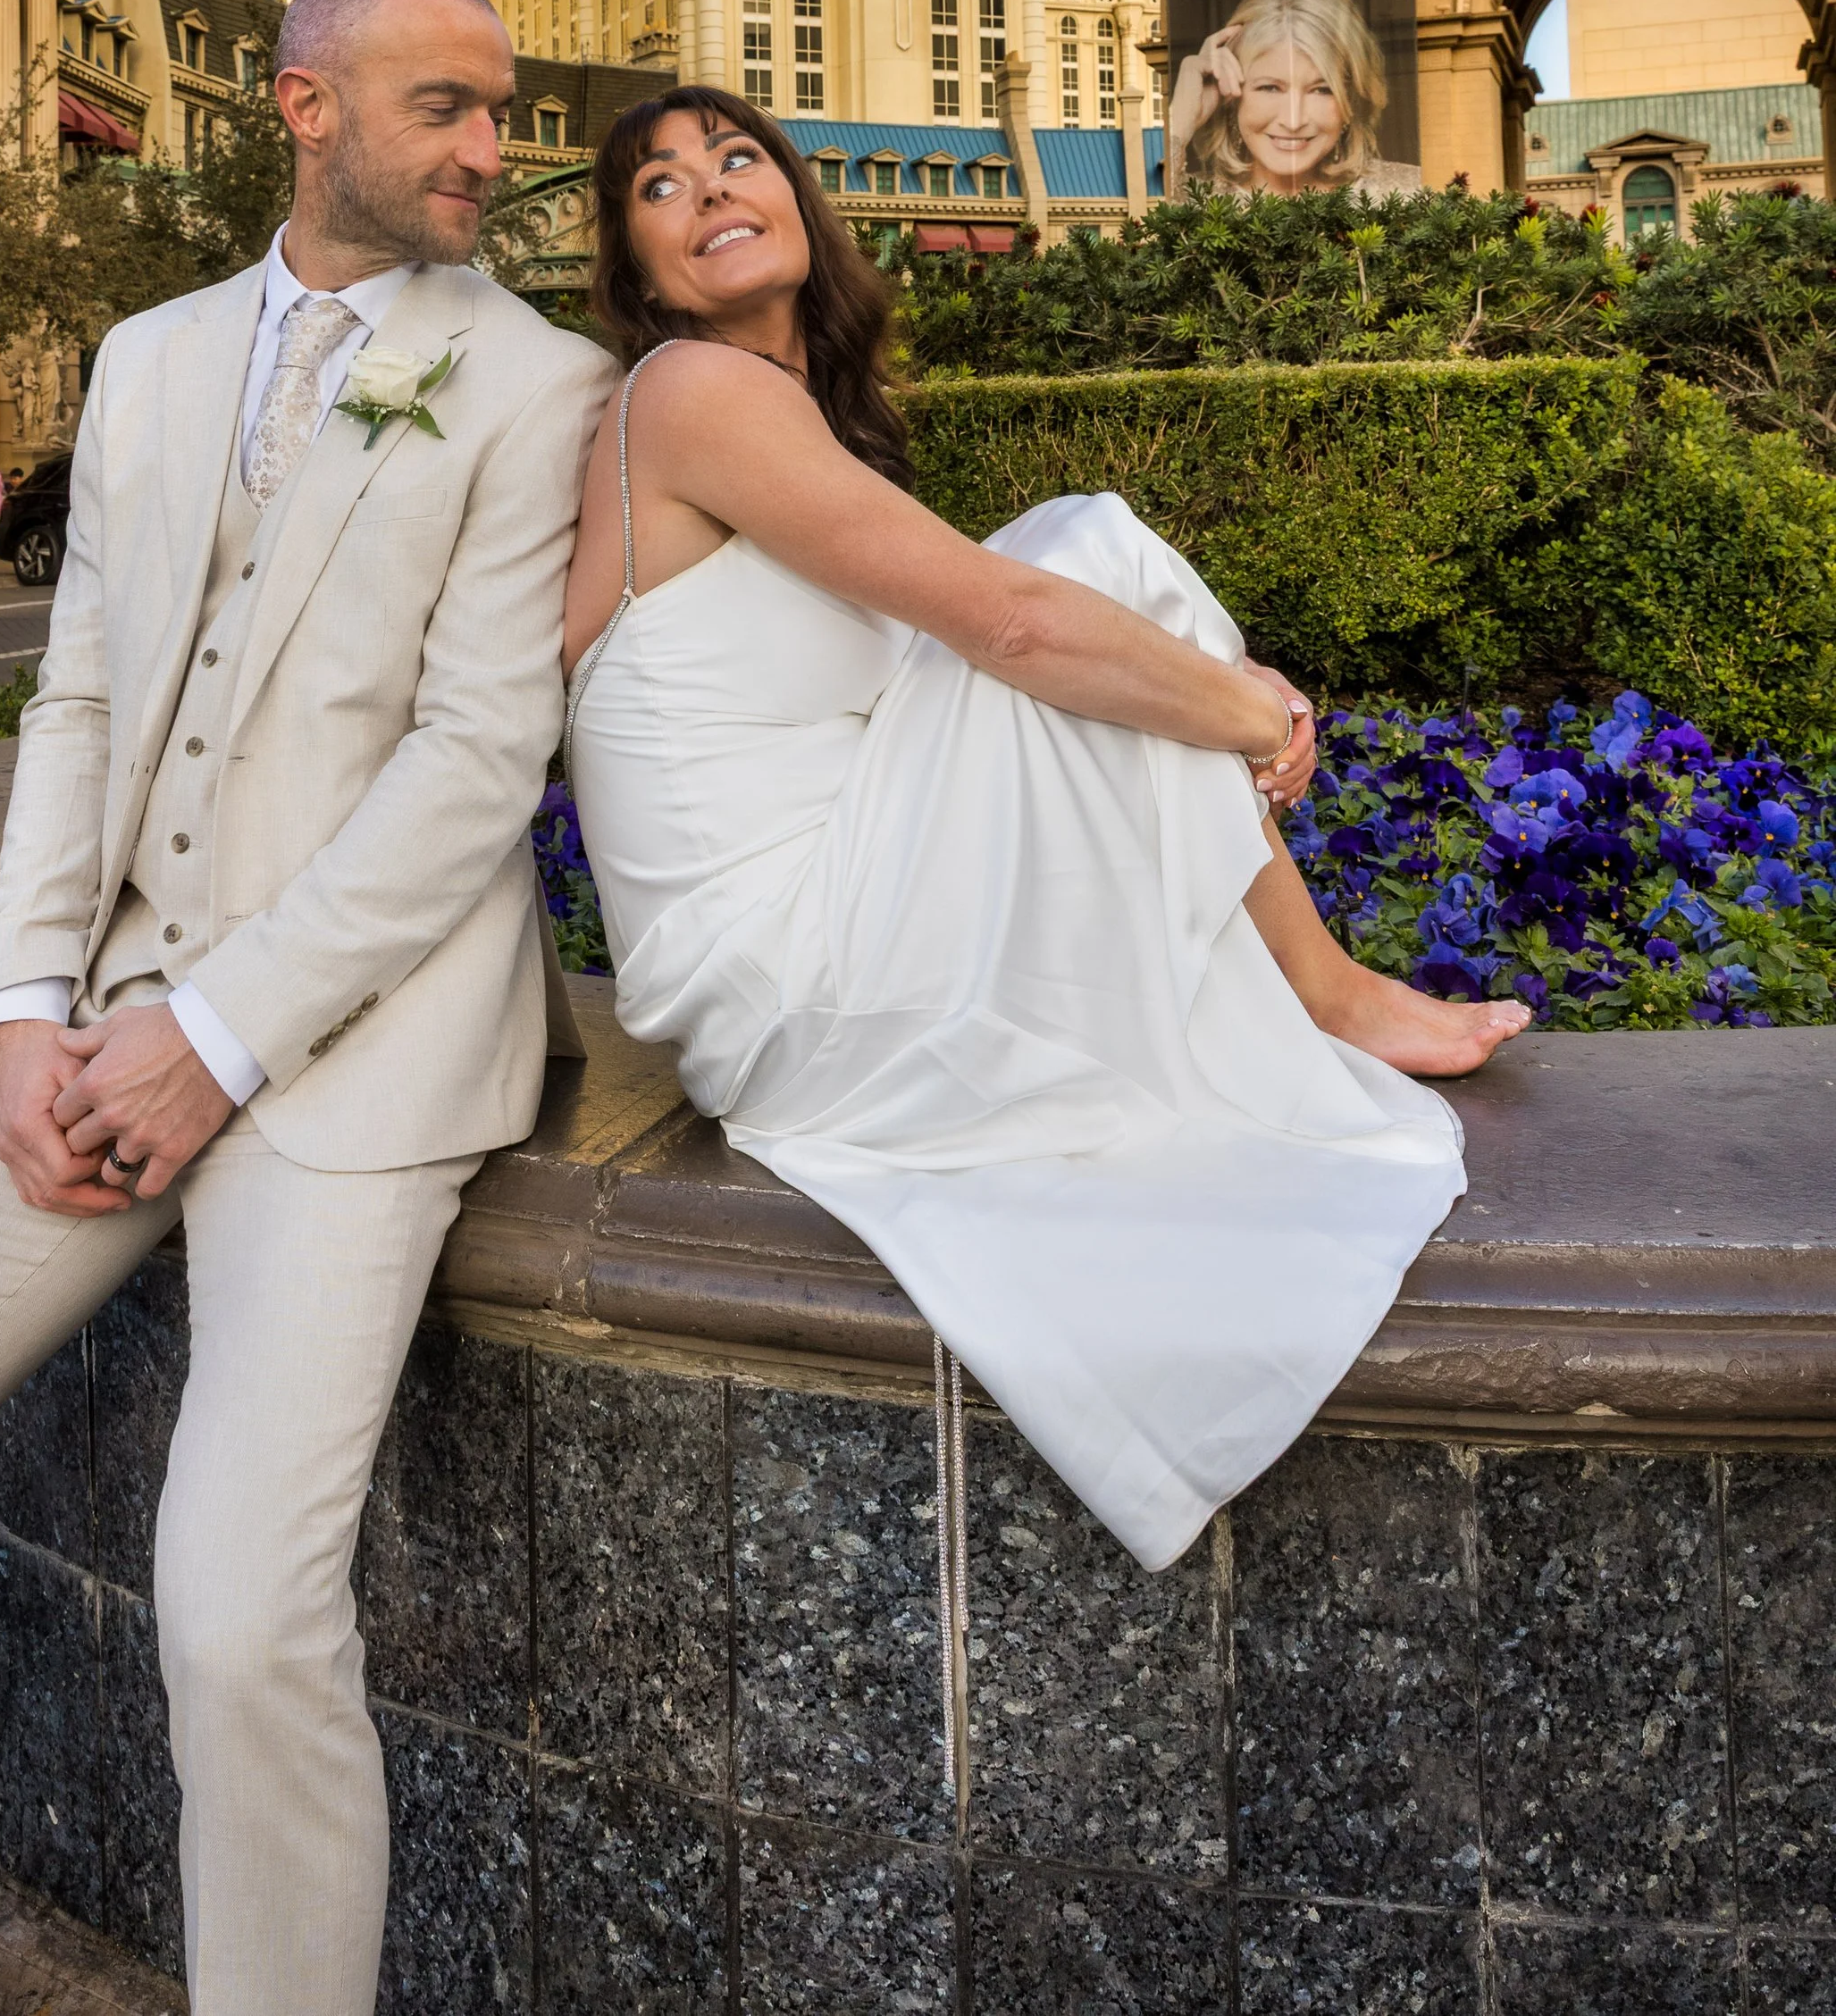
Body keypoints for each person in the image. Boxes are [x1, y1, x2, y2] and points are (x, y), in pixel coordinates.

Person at [0, 0, 614, 2014]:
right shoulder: (155, 358)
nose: (490, 150)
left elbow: (469, 765)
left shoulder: (535, 382)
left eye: (502, 110)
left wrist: (220, 1033)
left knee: (241, 1622)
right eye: (445, 104)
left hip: (351, 1069)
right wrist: (12, 1013)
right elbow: (77, 701)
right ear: (303, 107)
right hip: (83, 1035)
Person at [562, 88, 1528, 1575]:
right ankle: (1325, 987)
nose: (706, 188)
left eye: (736, 157)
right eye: (659, 187)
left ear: (801, 208)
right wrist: (1250, 715)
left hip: (798, 968)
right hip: (787, 977)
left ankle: (1318, 982)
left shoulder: (793, 427)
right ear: (640, 277)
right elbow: (1011, 624)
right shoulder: (690, 395)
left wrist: (1202, 700)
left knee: (1090, 577)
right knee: (1082, 554)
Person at [1166, 0, 1416, 197]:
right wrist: (1178, 124)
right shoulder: (1187, 201)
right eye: (1270, 87)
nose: (1294, 121)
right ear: (1231, 97)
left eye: (1322, 89)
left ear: (1351, 98)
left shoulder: (1410, 195)